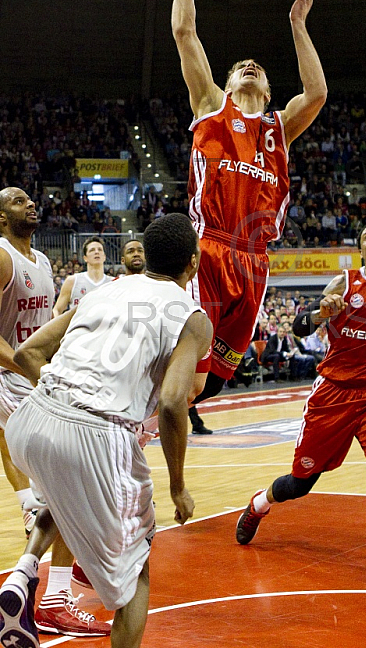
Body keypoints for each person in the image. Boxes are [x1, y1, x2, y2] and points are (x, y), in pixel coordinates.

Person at [0, 213, 213, 648]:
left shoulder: (105, 291)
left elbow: (27, 352)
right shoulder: (193, 317)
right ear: (192, 263)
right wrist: (178, 487)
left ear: (146, 255)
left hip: (33, 417)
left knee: (65, 492)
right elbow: (175, 401)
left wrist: (62, 404)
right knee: (136, 575)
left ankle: (22, 576)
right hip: (99, 433)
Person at [235, 223, 366, 590]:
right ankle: (259, 504)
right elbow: (300, 326)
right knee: (300, 484)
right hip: (332, 396)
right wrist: (319, 315)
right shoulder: (343, 285)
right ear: (361, 251)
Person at [166, 0, 327, 406]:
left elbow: (316, 91)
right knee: (190, 370)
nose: (249, 67)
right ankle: (134, 429)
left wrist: (298, 24)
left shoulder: (280, 128)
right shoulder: (211, 106)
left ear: (269, 90)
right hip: (210, 249)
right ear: (230, 83)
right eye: (240, 68)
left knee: (215, 380)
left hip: (255, 259)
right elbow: (183, 31)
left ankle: (148, 425)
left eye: (256, 69)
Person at [0, 187, 111, 638]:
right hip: (10, 381)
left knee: (69, 486)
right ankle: (53, 593)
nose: (29, 203)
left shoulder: (43, 263)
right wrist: (27, 365)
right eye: (16, 200)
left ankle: (30, 580)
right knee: (72, 481)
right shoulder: (3, 257)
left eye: (30, 199)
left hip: (38, 380)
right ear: (1, 217)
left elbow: (46, 329)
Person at [120, 238, 212, 435]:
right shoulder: (111, 289)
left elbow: (194, 389)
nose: (136, 254)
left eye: (140, 250)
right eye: (131, 251)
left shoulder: (172, 298)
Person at [52, 237, 113, 316]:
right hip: (79, 327)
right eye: (92, 250)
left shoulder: (113, 282)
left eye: (100, 249)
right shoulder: (73, 281)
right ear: (85, 258)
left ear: (104, 257)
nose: (97, 252)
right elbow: (57, 310)